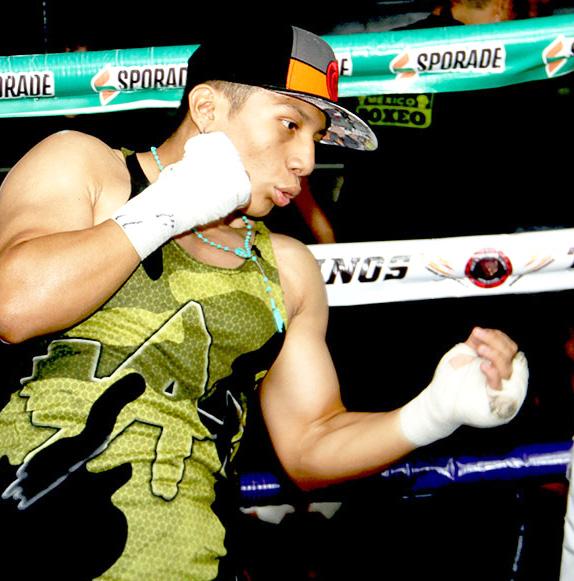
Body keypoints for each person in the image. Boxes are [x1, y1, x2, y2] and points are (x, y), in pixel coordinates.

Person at [0, 21, 528, 580]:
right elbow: (14, 305)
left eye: (316, 137)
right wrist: (167, 207)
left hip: (191, 560)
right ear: (207, 108)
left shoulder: (286, 268)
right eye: (290, 124)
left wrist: (433, 412)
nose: (306, 160)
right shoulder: (89, 169)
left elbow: (309, 445)